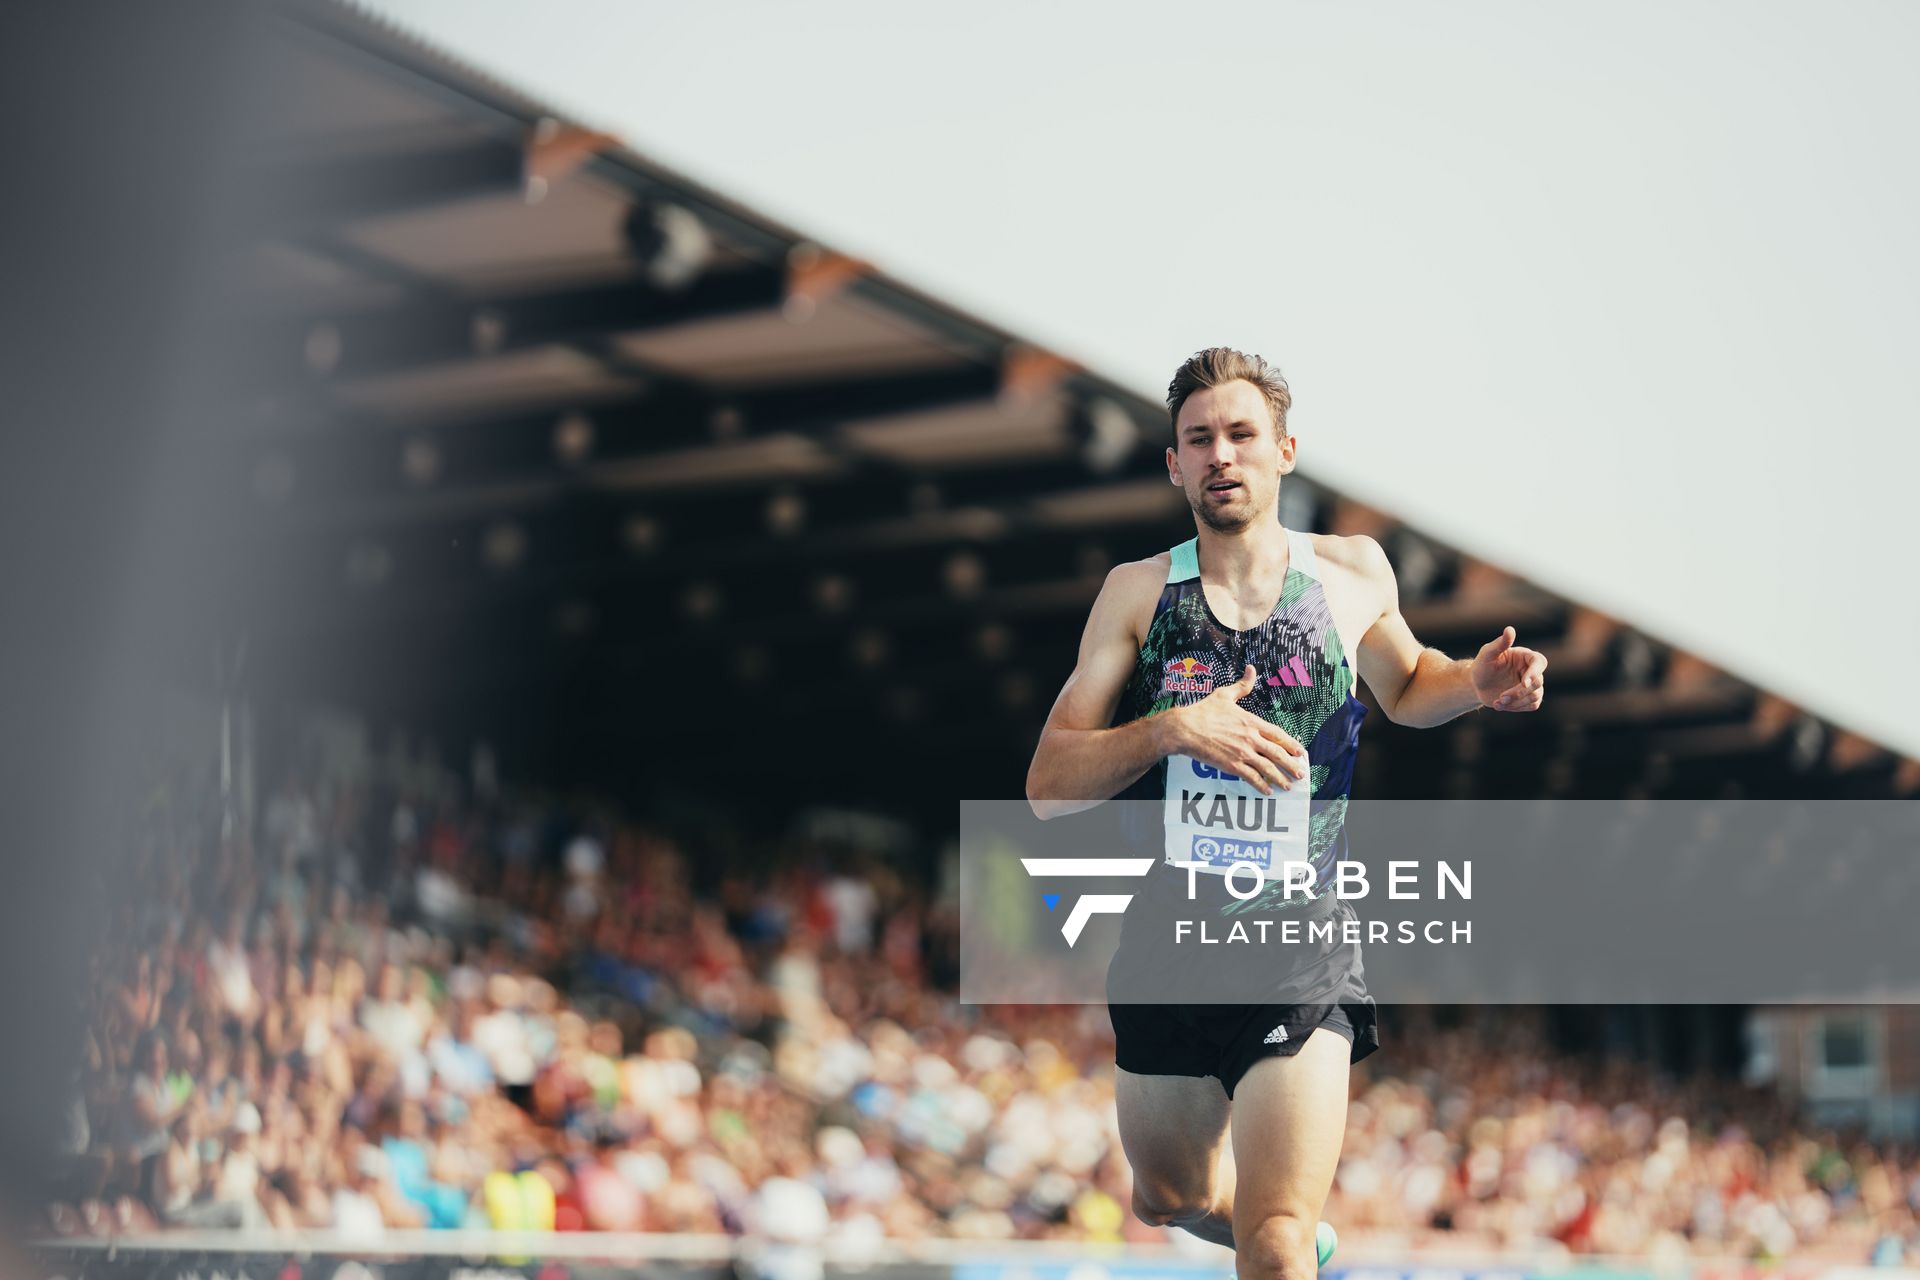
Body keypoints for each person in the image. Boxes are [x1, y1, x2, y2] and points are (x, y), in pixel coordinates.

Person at [1024, 348, 1547, 1280]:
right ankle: (1277, 1226)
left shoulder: (1348, 573)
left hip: (1299, 945)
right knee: (1168, 1198)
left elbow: (1409, 681)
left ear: (1285, 451)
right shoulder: (1139, 594)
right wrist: (1173, 729)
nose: (1221, 454)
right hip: (1167, 946)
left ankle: (1285, 1234)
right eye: (1199, 439)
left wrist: (1474, 682)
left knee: (1272, 1242)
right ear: (1174, 465)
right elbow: (1047, 786)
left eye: (1241, 434)